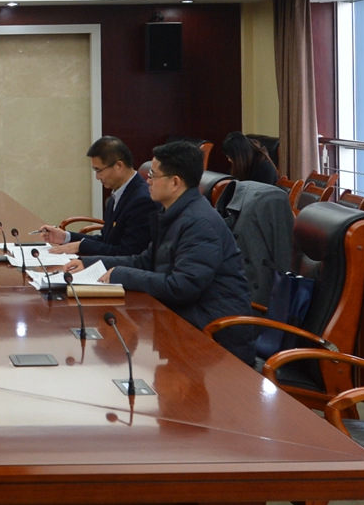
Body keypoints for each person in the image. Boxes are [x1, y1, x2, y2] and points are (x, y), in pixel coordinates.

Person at [78, 141, 255, 364]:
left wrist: (121, 274)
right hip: (185, 322)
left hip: (215, 340)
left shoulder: (199, 224)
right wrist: (88, 264)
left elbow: (182, 287)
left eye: (153, 175)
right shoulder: (174, 214)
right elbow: (144, 261)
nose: (147, 181)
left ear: (175, 182)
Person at [36, 137, 155, 259]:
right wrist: (66, 237)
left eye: (99, 170)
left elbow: (129, 253)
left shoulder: (142, 200)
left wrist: (82, 246)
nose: (97, 177)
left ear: (119, 166)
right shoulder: (117, 194)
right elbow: (105, 240)